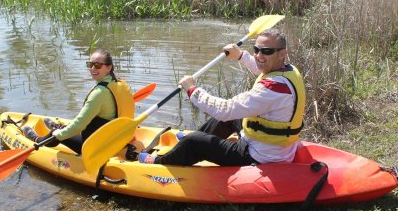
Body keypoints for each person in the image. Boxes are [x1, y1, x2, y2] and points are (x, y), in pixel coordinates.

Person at [138, 28, 306, 166]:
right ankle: (193, 139)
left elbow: (223, 110)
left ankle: (160, 161)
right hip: (271, 145)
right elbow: (260, 67)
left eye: (266, 51)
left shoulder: (273, 88)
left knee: (195, 141)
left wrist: (192, 90)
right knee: (230, 119)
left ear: (282, 53)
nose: (259, 55)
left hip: (260, 156)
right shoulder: (288, 70)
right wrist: (240, 55)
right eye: (256, 50)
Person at [23, 49, 134, 154]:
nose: (93, 69)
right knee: (69, 128)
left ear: (109, 67)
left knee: (56, 134)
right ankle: (61, 127)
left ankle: (38, 139)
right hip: (116, 139)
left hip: (95, 146)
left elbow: (79, 126)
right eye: (90, 65)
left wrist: (59, 135)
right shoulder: (121, 83)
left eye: (98, 65)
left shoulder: (100, 93)